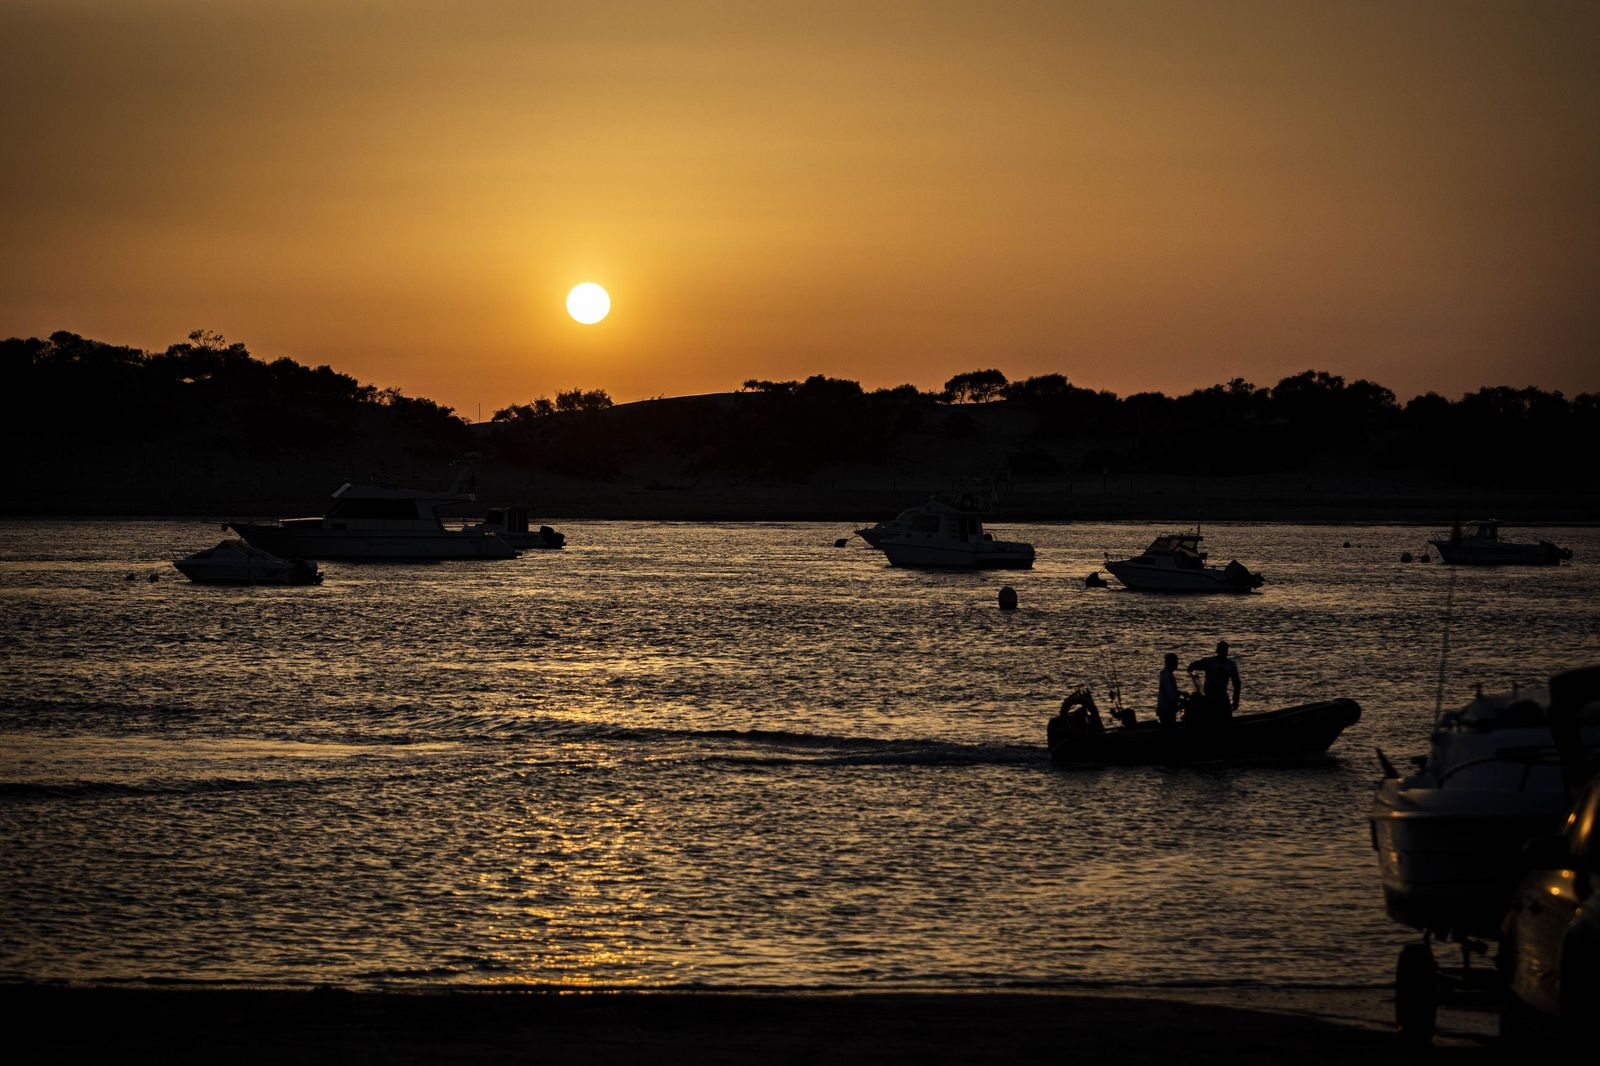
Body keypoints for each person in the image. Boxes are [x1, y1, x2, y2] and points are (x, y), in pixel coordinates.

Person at [1187, 641, 1241, 725]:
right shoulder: (1210, 662)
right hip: (1210, 697)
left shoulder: (1229, 665)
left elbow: (1237, 684)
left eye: (1224, 650)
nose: (1223, 652)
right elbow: (1191, 667)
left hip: (1220, 697)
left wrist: (1236, 700)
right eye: (1221, 650)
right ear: (1218, 651)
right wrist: (1199, 686)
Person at [1156, 652, 1182, 728]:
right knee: (1169, 728)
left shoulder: (1169, 674)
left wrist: (1181, 693)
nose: (1177, 664)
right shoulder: (1166, 675)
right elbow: (1170, 693)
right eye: (1176, 662)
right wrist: (1180, 700)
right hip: (1166, 710)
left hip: (1169, 709)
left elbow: (1171, 690)